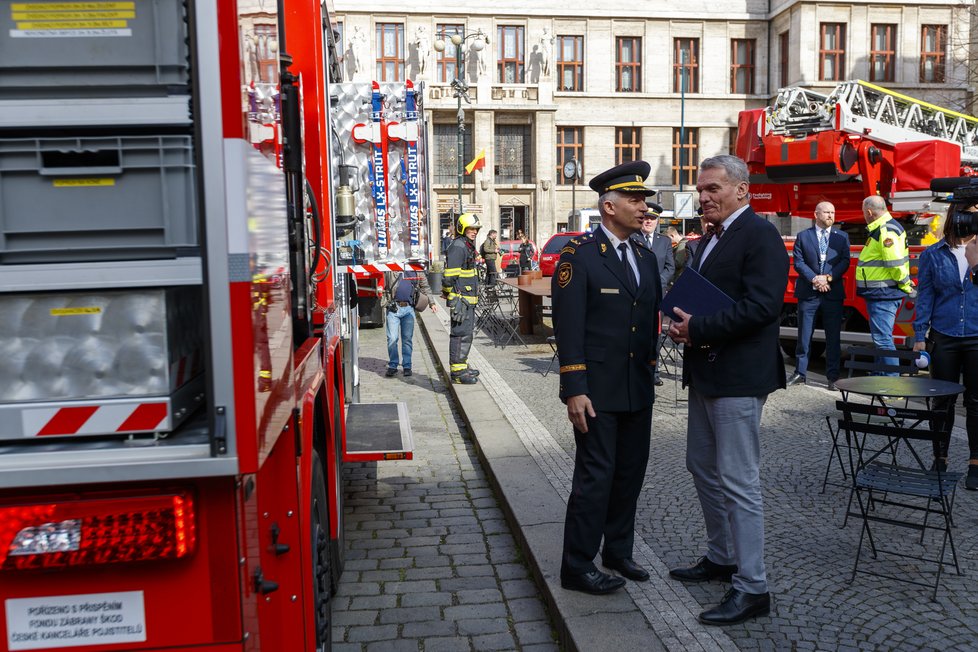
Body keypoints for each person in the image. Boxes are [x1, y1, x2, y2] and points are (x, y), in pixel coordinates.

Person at [666, 155, 788, 626]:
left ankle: (753, 586)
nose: (704, 197)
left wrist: (699, 328)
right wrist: (684, 323)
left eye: (713, 188)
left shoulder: (760, 235)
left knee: (739, 480)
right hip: (707, 372)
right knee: (702, 466)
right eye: (701, 190)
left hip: (738, 375)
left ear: (742, 190)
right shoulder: (711, 238)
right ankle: (722, 556)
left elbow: (763, 307)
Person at [553, 160, 662, 596]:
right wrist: (574, 389)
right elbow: (568, 327)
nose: (644, 208)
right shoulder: (578, 257)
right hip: (597, 390)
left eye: (644, 201)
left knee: (630, 474)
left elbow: (648, 318)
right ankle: (577, 566)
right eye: (635, 201)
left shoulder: (645, 257)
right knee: (595, 478)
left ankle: (617, 551)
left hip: (637, 385)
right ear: (609, 206)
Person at [912, 207, 978, 489]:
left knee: (976, 403)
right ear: (955, 216)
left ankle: (975, 463)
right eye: (967, 213)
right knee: (942, 401)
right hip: (944, 335)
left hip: (976, 335)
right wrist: (918, 334)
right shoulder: (932, 254)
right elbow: (925, 295)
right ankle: (940, 457)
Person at [787, 202, 850, 391]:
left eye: (833, 212)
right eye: (827, 212)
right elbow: (798, 262)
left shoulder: (842, 237)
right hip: (809, 293)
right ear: (816, 214)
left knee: (833, 337)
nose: (831, 215)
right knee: (804, 335)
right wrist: (815, 279)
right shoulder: (803, 236)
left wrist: (828, 278)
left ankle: (833, 377)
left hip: (832, 293)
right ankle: (800, 373)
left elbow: (845, 261)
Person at [855, 195, 915, 375]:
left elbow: (895, 263)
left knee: (883, 340)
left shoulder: (885, 230)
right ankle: (881, 376)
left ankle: (890, 383)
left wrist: (906, 286)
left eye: (864, 213)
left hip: (883, 294)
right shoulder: (886, 228)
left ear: (869, 212)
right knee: (882, 339)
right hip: (882, 293)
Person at [636, 205, 675, 387]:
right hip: (638, 295)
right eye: (645, 218)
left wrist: (657, 282)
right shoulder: (633, 238)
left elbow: (670, 267)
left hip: (658, 295)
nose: (648, 221)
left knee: (656, 334)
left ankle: (655, 371)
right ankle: (638, 369)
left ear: (657, 221)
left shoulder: (664, 241)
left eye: (652, 218)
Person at [443, 213, 482, 384]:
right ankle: (457, 373)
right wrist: (449, 295)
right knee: (460, 334)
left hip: (468, 300)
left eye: (476, 229)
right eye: (471, 229)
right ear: (462, 229)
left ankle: (462, 365)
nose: (474, 231)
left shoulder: (466, 245)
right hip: (461, 300)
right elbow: (449, 275)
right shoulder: (459, 246)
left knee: (466, 334)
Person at [383, 267, 436, 378]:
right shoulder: (391, 267)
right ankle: (393, 365)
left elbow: (425, 286)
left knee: (407, 339)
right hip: (394, 308)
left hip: (408, 309)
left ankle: (407, 366)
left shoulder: (416, 268)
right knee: (392, 338)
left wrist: (432, 302)